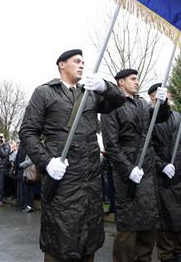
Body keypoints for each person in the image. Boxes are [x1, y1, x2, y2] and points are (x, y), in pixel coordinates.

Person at [19, 49, 125, 262]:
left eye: (83, 62)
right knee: (60, 241)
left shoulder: (90, 93)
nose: (82, 65)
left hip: (90, 180)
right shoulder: (45, 92)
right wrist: (47, 162)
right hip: (63, 179)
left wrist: (105, 86)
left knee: (89, 240)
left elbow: (119, 100)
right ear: (61, 64)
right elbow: (27, 131)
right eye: (77, 61)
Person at [101, 69, 169, 262]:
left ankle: (144, 259)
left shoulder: (141, 103)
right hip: (128, 170)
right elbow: (111, 144)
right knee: (129, 225)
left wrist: (162, 104)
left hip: (147, 166)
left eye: (137, 78)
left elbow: (160, 118)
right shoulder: (111, 106)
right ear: (121, 82)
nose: (137, 82)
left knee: (148, 222)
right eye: (133, 79)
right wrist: (128, 169)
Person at [148, 83, 181, 262]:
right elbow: (147, 148)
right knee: (165, 217)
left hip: (179, 171)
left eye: (167, 93)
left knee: (180, 215)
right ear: (153, 98)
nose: (166, 97)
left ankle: (179, 251)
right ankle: (166, 254)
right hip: (162, 175)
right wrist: (161, 165)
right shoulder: (149, 117)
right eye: (161, 95)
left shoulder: (177, 116)